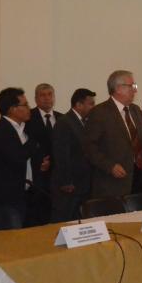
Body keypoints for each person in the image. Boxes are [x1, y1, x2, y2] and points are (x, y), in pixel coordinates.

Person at [0, 88, 50, 230]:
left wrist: (40, 164)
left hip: (27, 195)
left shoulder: (25, 129)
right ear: (12, 109)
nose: (29, 108)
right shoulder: (0, 130)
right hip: (7, 198)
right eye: (25, 105)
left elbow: (30, 157)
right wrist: (33, 143)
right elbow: (17, 157)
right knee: (10, 239)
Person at [83, 70, 142, 200]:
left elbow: (139, 140)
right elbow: (89, 147)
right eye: (132, 86)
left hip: (138, 177)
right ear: (118, 88)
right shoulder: (100, 112)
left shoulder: (136, 110)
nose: (135, 90)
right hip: (111, 183)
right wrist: (110, 166)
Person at [51, 88, 96, 223]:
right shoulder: (64, 122)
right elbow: (61, 154)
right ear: (79, 105)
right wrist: (66, 181)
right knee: (66, 220)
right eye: (90, 104)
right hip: (70, 185)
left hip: (83, 183)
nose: (93, 107)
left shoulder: (85, 122)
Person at [23, 83, 56, 225]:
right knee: (37, 217)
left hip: (57, 177)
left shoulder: (62, 118)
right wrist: (39, 163)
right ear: (36, 99)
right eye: (42, 95)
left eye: (50, 94)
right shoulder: (27, 118)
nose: (47, 98)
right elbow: (25, 145)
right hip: (37, 177)